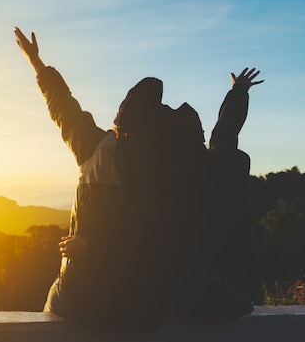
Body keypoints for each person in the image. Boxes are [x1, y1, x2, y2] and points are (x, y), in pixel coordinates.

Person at [14, 27, 263, 330]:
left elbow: (63, 106)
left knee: (54, 302)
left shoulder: (99, 150)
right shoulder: (183, 167)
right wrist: (237, 95)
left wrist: (36, 63)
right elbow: (224, 141)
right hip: (150, 307)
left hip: (84, 299)